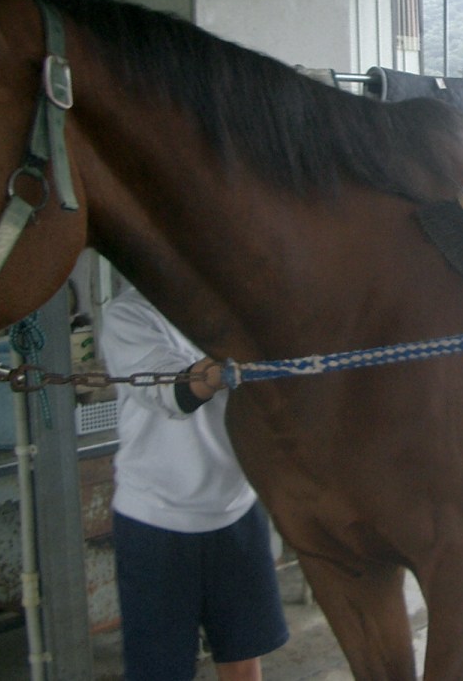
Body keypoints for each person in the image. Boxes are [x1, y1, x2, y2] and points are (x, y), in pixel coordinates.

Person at [99, 285, 289, 681]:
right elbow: (172, 393)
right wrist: (242, 361)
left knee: (243, 658)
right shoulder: (129, 315)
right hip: (156, 520)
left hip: (236, 508)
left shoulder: (232, 303)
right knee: (160, 671)